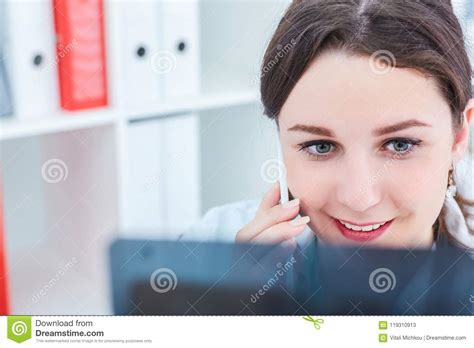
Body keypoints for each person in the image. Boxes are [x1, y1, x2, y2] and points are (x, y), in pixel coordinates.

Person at [181, 0, 474, 253]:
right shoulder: (206, 243)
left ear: (458, 136)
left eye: (400, 144)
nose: (360, 199)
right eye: (320, 146)